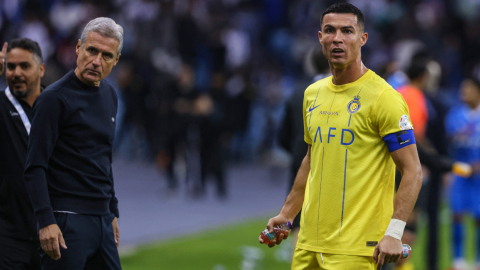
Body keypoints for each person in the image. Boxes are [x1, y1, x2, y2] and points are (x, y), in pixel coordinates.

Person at [259, 3, 423, 270]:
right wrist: (287, 214)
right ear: (320, 37)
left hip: (356, 250)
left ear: (363, 39)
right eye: (330, 30)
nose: (338, 38)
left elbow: (413, 170)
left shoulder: (385, 98)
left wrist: (394, 233)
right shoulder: (312, 94)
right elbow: (311, 160)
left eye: (347, 31)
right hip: (308, 244)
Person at [24, 17, 123, 269]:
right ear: (78, 48)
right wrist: (46, 221)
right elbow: (34, 167)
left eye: (106, 55)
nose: (96, 61)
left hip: (102, 218)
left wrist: (111, 210)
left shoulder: (110, 95)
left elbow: (103, 156)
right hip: (67, 222)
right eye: (92, 50)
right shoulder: (53, 99)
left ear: (116, 60)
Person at [0, 38, 45, 270]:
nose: (16, 72)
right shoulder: (1, 106)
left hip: (51, 233)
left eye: (24, 66)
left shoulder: (56, 107)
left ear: (41, 69)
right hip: (8, 236)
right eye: (10, 66)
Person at [445, 75, 480, 270]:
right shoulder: (455, 114)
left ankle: (477, 260)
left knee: (478, 217)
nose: (463, 93)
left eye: (467, 89)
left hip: (479, 177)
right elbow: (449, 144)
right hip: (460, 175)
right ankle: (458, 260)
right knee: (456, 214)